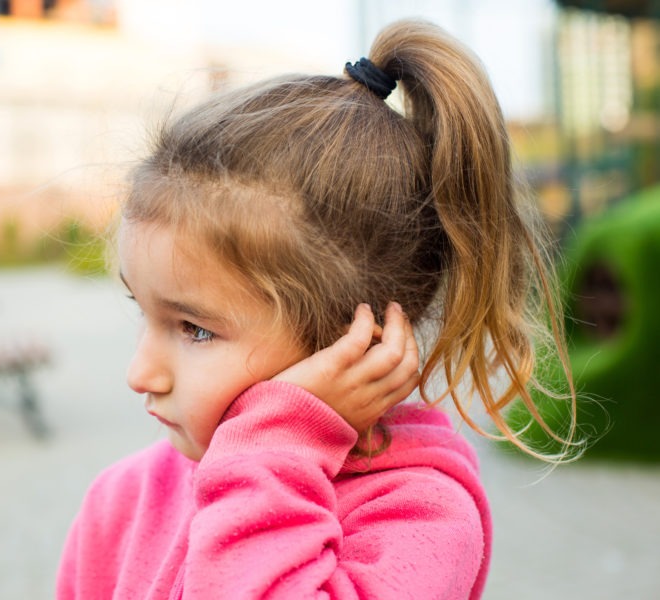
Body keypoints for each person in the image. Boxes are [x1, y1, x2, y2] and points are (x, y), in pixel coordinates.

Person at [56, 19, 579, 599]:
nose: (139, 374)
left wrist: (274, 443)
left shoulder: (418, 519)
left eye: (195, 330)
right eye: (142, 308)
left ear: (355, 343)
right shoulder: (123, 499)